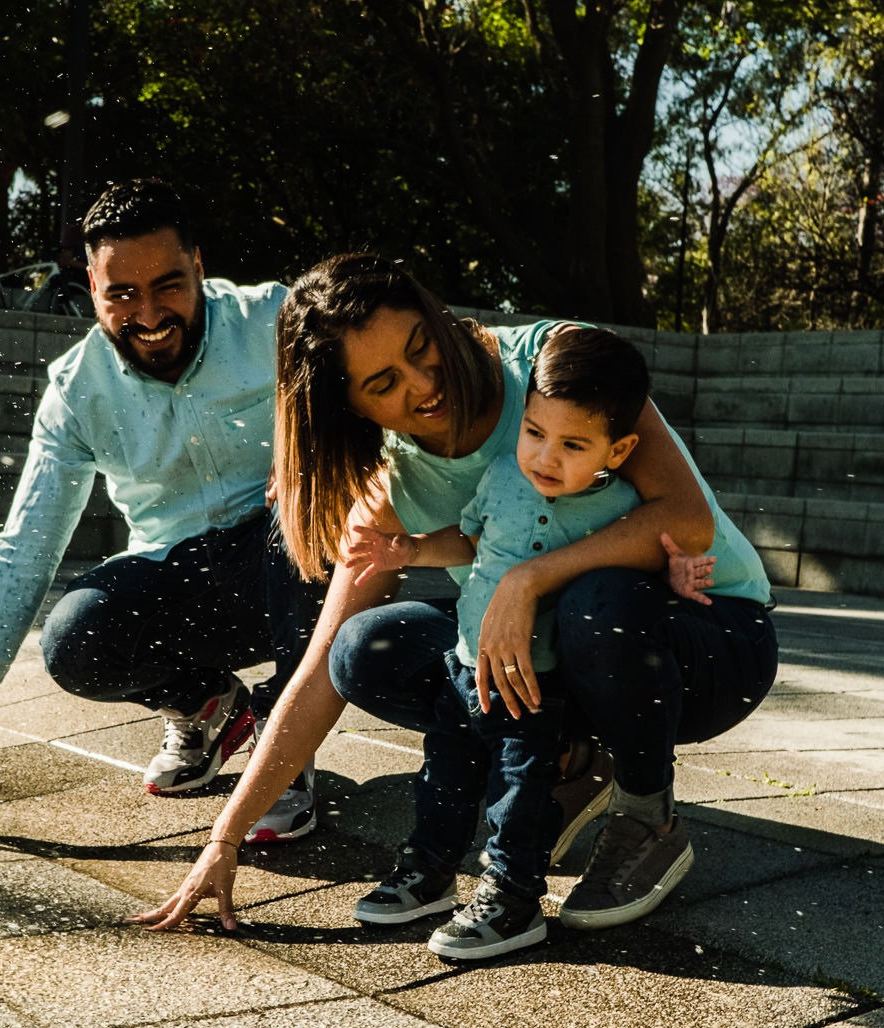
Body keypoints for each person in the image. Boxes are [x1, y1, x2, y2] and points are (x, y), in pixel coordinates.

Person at [135, 253, 777, 935]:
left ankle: (648, 818)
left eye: (422, 347)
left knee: (598, 603)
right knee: (365, 648)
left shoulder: (555, 365)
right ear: (347, 405)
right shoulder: (389, 488)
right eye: (384, 382)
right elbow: (320, 669)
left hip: (707, 638)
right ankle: (571, 759)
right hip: (565, 657)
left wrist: (530, 579)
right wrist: (224, 838)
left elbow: (687, 520)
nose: (424, 384)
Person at [0, 179, 322, 842]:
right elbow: (25, 547)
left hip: (294, 562)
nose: (151, 314)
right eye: (121, 293)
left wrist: (313, 456)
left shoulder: (273, 320)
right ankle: (206, 707)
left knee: (306, 512)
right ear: (91, 288)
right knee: (75, 638)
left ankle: (285, 742)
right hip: (180, 575)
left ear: (199, 267)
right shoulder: (76, 390)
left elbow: (381, 399)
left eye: (169, 285)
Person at [346, 327, 677, 959]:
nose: (546, 457)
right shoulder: (503, 475)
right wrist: (411, 550)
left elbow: (639, 572)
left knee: (517, 791)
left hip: (533, 683)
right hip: (465, 666)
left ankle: (513, 894)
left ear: (620, 448)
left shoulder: (620, 506)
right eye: (534, 433)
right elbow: (469, 542)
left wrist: (680, 569)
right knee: (442, 776)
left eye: (573, 444)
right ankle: (430, 868)